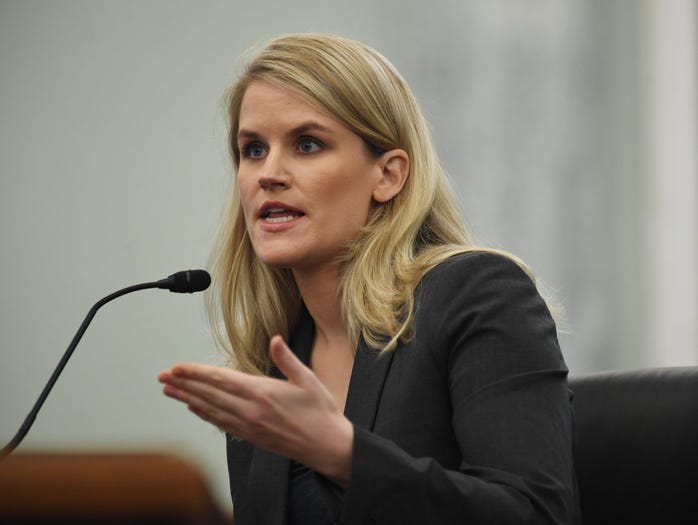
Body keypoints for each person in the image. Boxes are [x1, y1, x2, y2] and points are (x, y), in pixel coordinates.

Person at [158, 33, 581, 524]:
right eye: (252, 149)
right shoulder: (270, 362)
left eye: (307, 144)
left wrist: (344, 456)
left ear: (388, 175)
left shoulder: (478, 295)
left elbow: (536, 515)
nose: (267, 174)